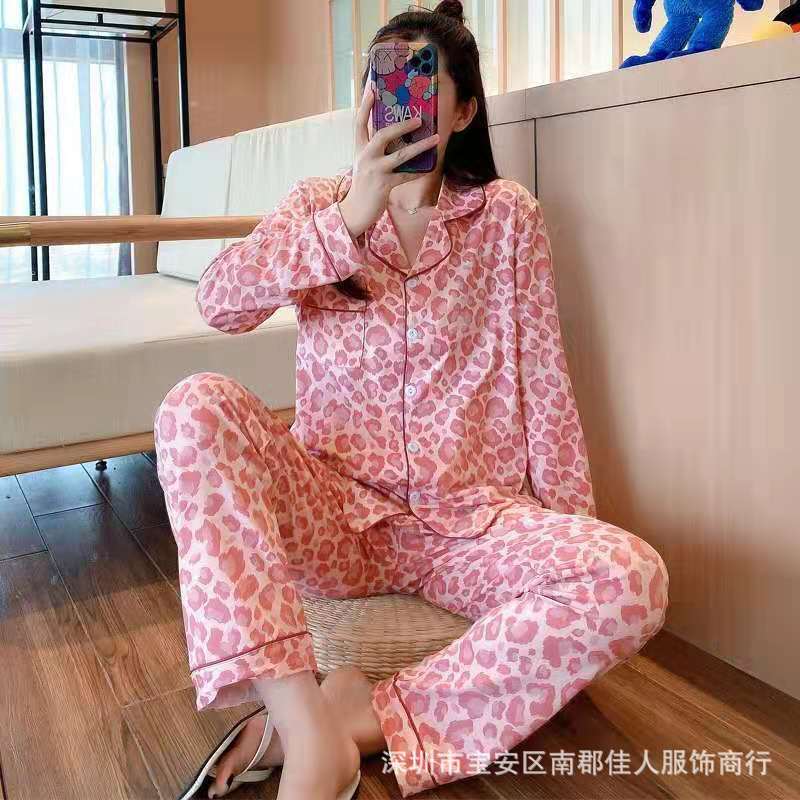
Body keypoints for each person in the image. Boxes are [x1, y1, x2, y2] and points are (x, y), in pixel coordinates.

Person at [153, 2, 669, 799]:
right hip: (336, 516)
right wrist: (346, 220)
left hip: (469, 524)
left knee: (633, 576)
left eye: (418, 82)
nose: (393, 100)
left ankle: (357, 722)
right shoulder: (318, 205)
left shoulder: (508, 218)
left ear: (462, 111)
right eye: (380, 80)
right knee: (193, 406)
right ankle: (302, 725)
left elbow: (546, 386)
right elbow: (219, 300)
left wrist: (564, 537)